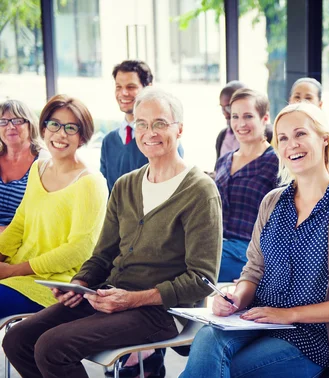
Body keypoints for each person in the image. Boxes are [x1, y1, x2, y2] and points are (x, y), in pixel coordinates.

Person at [3, 87, 222, 378]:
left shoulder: (199, 191)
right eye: (141, 124)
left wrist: (133, 299)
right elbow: (102, 254)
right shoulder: (126, 185)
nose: (149, 132)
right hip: (107, 297)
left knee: (52, 347)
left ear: (179, 129)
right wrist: (79, 283)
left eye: (160, 123)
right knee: (17, 339)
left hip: (162, 311)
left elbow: (202, 279)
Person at [180, 102, 329, 378]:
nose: (291, 145)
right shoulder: (272, 202)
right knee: (206, 339)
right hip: (256, 319)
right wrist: (235, 298)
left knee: (229, 370)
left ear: (324, 139)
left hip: (311, 336)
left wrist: (290, 314)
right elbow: (253, 271)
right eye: (283, 138)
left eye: (300, 134)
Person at [0, 94, 107, 318]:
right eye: (54, 124)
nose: (60, 134)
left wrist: (12, 270)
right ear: (44, 128)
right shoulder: (38, 168)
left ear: (83, 136)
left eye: (70, 128)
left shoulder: (91, 183)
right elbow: (19, 223)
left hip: (53, 285)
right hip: (15, 272)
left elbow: (79, 249)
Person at [215, 88, 279, 282]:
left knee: (188, 266)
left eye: (248, 116)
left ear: (265, 118)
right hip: (217, 244)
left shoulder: (276, 162)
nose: (240, 124)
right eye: (235, 116)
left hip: (250, 251)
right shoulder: (224, 160)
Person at [100, 60, 183, 192]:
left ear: (148, 88)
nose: (124, 93)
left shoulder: (161, 140)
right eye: (118, 87)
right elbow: (106, 191)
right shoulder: (108, 141)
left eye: (131, 87)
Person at [0, 99, 46, 232]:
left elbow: (44, 216)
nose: (10, 127)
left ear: (30, 125)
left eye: (17, 121)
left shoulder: (44, 161)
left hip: (23, 237)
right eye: (3, 122)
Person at [215, 80, 245, 160]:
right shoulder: (222, 135)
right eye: (222, 108)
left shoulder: (266, 135)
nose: (225, 114)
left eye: (228, 107)